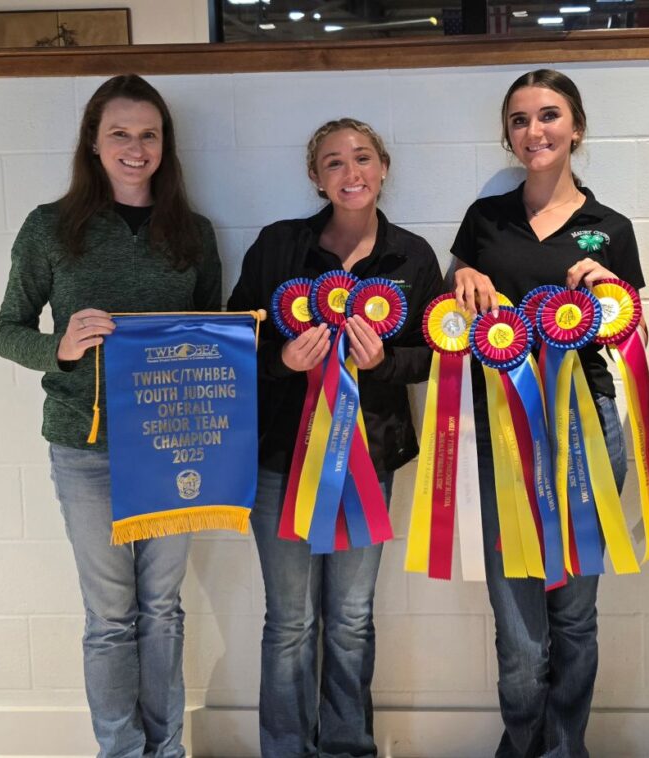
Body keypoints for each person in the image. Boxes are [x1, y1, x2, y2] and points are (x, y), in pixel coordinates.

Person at [0, 74, 222, 757]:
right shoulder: (49, 228)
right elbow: (5, 330)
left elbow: (212, 336)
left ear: (165, 146)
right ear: (93, 143)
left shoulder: (193, 233)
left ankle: (167, 748)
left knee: (162, 612)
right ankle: (121, 752)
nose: (135, 147)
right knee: (110, 618)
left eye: (148, 134)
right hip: (84, 451)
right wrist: (59, 348)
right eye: (119, 133)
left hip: (174, 447)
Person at [227, 117, 443, 758]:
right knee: (290, 620)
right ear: (315, 178)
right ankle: (286, 749)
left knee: (350, 620)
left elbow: (435, 355)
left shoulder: (412, 256)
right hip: (279, 458)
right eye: (333, 163)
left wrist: (384, 364)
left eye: (363, 159)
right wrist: (283, 361)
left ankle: (348, 746)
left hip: (368, 459)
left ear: (383, 168)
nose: (351, 173)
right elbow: (239, 333)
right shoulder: (278, 247)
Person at [450, 69, 646, 758]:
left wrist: (614, 292)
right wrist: (462, 278)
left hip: (586, 428)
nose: (535, 130)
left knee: (575, 616)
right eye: (520, 119)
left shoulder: (611, 228)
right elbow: (456, 314)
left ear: (577, 128)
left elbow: (632, 334)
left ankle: (567, 747)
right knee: (517, 627)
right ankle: (521, 743)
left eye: (549, 115)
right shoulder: (484, 221)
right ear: (507, 134)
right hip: (500, 430)